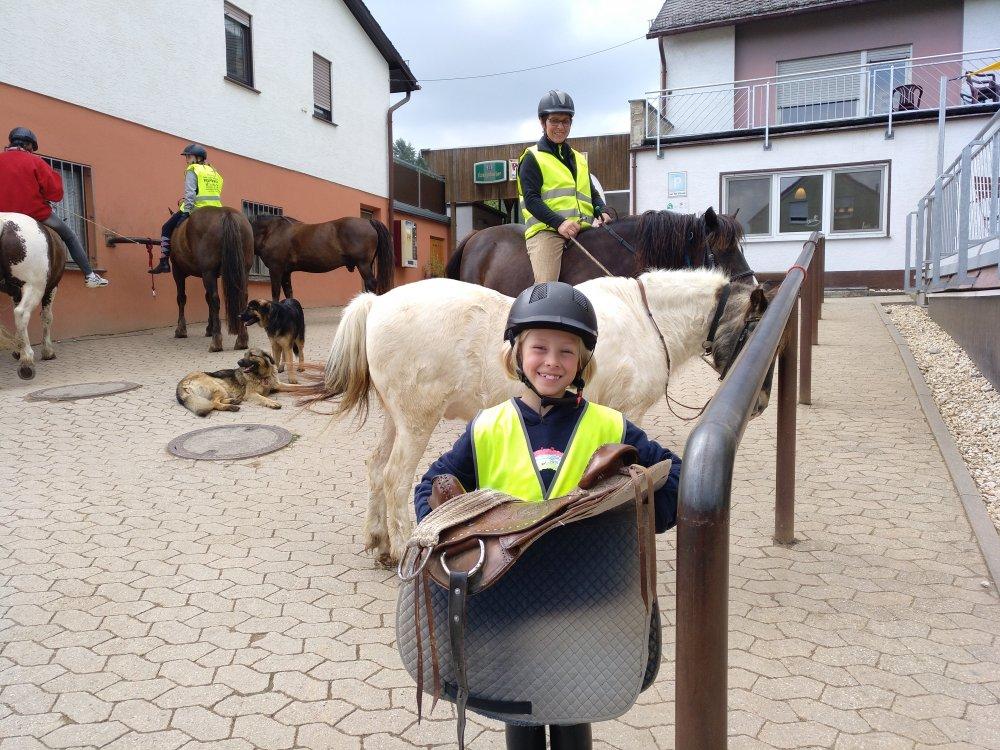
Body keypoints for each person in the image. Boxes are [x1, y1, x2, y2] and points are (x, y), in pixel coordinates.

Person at [413, 281, 682, 750]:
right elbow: (430, 487)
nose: (552, 362)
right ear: (517, 353)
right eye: (539, 348)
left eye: (566, 351)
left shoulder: (610, 425)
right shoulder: (487, 427)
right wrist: (451, 533)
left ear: (583, 361)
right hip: (509, 604)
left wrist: (630, 517)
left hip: (586, 604)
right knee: (519, 715)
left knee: (575, 715)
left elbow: (673, 478)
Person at [516, 90, 613, 284]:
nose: (560, 127)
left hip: (583, 229)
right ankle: (542, 303)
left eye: (565, 121)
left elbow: (591, 193)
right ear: (543, 123)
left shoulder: (579, 158)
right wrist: (559, 223)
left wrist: (602, 210)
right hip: (548, 232)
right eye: (554, 121)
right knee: (547, 287)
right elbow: (532, 200)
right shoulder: (532, 157)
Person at [0, 127, 109, 288]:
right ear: (28, 145)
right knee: (70, 236)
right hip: (34, 212)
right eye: (32, 147)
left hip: (1, 215)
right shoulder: (36, 161)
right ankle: (90, 275)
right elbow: (55, 193)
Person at [149, 143, 224, 274]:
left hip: (197, 207)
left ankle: (164, 262)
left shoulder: (192, 169)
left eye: (189, 156)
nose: (187, 160)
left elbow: (190, 193)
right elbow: (217, 189)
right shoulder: (214, 171)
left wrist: (187, 211)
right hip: (217, 209)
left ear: (198, 158)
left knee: (166, 227)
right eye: (186, 157)